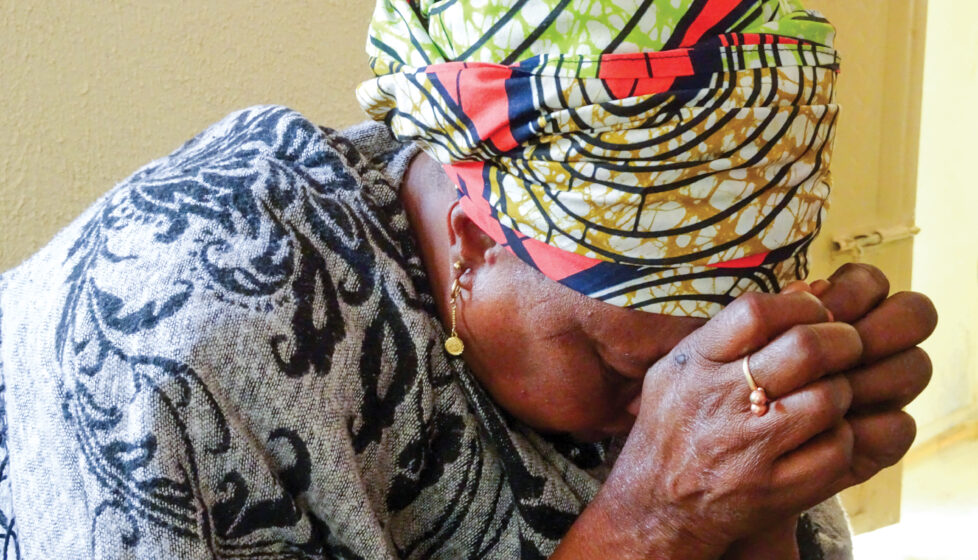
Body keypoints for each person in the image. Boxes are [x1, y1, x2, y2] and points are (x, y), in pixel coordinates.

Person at [0, 1, 935, 559]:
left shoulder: (685, 346)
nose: (673, 409)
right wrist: (656, 520)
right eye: (623, 369)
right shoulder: (172, 337)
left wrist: (757, 508)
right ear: (473, 238)